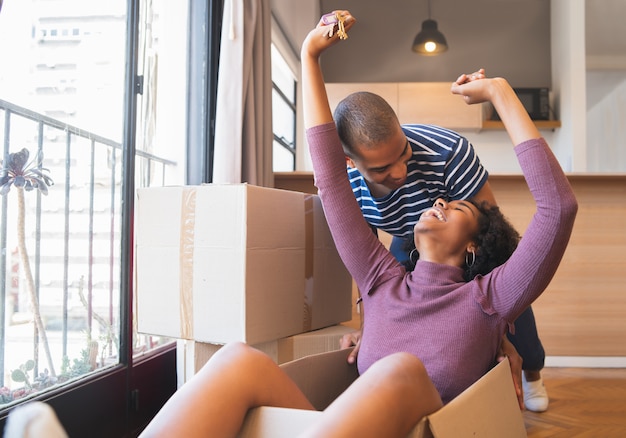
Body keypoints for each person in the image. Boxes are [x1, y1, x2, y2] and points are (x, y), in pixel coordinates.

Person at [139, 10, 576, 436]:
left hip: (429, 423)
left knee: (401, 370)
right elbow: (329, 180)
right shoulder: (379, 279)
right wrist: (310, 56)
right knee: (239, 360)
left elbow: (557, 209)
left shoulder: (489, 297)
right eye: (385, 168)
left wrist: (500, 93)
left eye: (457, 208)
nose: (437, 197)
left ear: (472, 249)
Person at [328, 31, 549, 414]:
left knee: (505, 297)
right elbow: (366, 269)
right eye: (382, 169)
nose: (399, 171)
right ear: (351, 163)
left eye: (404, 153)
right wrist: (375, 323)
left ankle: (533, 371)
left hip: (458, 238)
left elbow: (490, 237)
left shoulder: (447, 150)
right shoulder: (345, 185)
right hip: (404, 237)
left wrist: (492, 332)